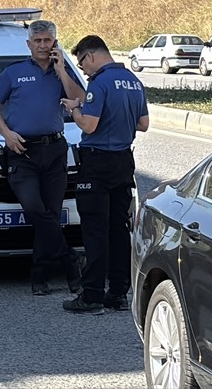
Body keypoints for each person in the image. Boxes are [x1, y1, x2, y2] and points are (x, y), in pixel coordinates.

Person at [0, 20, 85, 295]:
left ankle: (39, 276)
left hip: (54, 150)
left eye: (47, 40)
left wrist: (62, 70)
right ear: (29, 44)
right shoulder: (14, 72)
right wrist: (6, 133)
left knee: (50, 213)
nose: (43, 45)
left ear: (55, 43)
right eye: (37, 41)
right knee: (35, 209)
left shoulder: (60, 74)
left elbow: (81, 99)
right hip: (22, 151)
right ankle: (69, 260)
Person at [60, 34, 149, 314]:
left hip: (97, 164)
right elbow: (143, 124)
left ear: (91, 56)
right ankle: (119, 293)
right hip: (124, 161)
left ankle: (92, 295)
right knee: (119, 229)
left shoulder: (100, 83)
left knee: (95, 230)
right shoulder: (134, 81)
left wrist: (75, 109)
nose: (83, 70)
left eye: (82, 64)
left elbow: (88, 125)